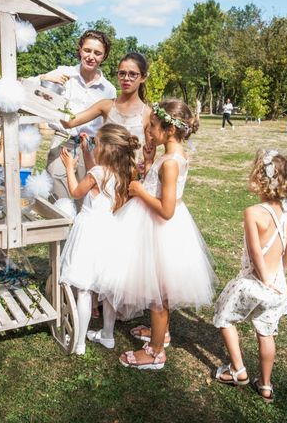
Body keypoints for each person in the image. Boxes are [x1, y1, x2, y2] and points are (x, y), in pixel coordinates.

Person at [94, 99, 217, 370]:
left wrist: (139, 191)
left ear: (169, 129)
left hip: (160, 230)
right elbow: (158, 184)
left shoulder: (171, 163)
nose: (148, 132)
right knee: (159, 289)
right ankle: (162, 332)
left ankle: (155, 352)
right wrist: (149, 161)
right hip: (153, 228)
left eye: (152, 127)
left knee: (158, 294)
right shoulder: (170, 155)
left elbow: (167, 209)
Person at [212, 149, 287, 403]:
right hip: (276, 285)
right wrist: (278, 275)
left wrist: (262, 279)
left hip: (254, 281)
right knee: (266, 333)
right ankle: (265, 385)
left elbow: (254, 252)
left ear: (262, 180)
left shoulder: (253, 212)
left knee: (224, 316)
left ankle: (238, 370)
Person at [59, 124, 140, 355]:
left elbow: (76, 192)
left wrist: (69, 168)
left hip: (89, 233)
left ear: (105, 149)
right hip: (111, 233)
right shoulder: (123, 172)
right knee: (108, 288)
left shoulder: (97, 174)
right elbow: (96, 171)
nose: (94, 147)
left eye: (95, 144)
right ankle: (107, 335)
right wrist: (86, 151)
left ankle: (79, 343)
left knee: (84, 289)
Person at [41, 30, 117, 204]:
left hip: (91, 147)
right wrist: (45, 77)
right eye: (87, 50)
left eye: (97, 53)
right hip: (62, 142)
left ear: (104, 57)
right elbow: (32, 86)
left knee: (85, 201)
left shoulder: (109, 89)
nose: (91, 56)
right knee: (58, 199)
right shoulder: (63, 73)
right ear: (80, 50)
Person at [61, 52, 153, 174]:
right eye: (122, 73)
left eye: (132, 74)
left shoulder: (148, 113)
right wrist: (48, 97)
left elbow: (150, 157)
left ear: (143, 77)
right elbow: (70, 123)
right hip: (102, 177)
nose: (126, 78)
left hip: (129, 179)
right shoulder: (105, 105)